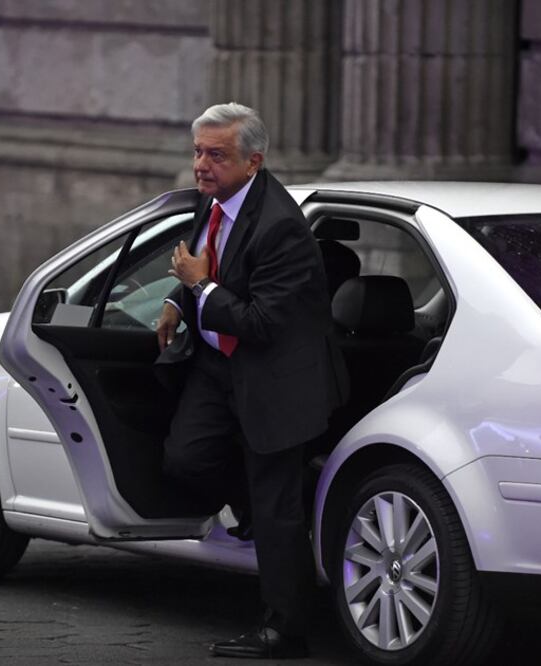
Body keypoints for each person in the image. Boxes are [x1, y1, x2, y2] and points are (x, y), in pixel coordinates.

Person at [157, 103, 346, 659]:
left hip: (276, 377)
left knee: (277, 508)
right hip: (219, 370)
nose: (201, 165)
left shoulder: (281, 226)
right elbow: (202, 260)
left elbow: (261, 322)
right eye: (197, 152)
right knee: (184, 460)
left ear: (253, 161)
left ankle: (284, 629)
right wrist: (176, 298)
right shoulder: (213, 201)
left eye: (216, 155)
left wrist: (201, 288)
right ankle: (257, 516)